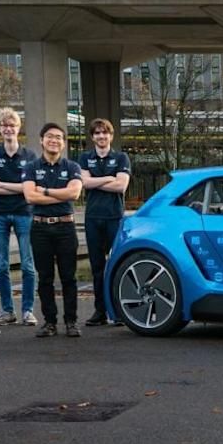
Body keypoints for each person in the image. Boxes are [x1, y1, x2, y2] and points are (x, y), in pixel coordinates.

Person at [23, 123, 84, 338]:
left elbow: (74, 194)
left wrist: (46, 191)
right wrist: (60, 193)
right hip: (40, 227)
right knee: (45, 277)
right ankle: (49, 322)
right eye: (49, 136)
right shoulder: (31, 167)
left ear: (63, 143)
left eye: (58, 137)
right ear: (41, 140)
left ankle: (71, 321)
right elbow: (30, 196)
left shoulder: (72, 167)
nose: (54, 140)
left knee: (69, 277)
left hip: (65, 227)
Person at [77, 118, 132, 326]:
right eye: (97, 133)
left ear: (111, 135)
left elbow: (121, 186)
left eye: (105, 133)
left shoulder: (121, 157)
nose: (101, 136)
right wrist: (109, 178)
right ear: (93, 137)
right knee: (97, 266)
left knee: (118, 264)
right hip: (93, 218)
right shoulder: (85, 157)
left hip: (114, 217)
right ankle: (100, 311)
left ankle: (118, 311)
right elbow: (83, 183)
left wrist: (95, 182)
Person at [0, 108, 39, 326]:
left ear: (19, 128)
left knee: (27, 264)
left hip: (24, 213)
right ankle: (8, 311)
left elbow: (30, 189)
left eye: (12, 125)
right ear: (0, 129)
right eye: (5, 125)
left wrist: (1, 184)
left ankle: (28, 310)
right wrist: (18, 187)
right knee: (1, 265)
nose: (8, 129)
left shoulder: (30, 156)